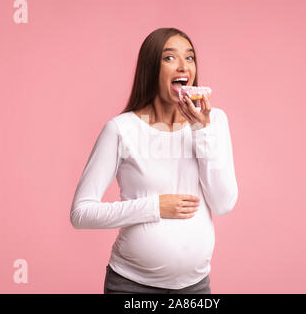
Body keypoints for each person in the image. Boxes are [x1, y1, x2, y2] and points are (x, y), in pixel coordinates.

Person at [70, 28, 238, 294]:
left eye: (190, 57)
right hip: (131, 286)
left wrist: (202, 131)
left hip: (194, 288)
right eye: (170, 58)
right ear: (151, 69)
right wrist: (154, 207)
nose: (184, 66)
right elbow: (81, 214)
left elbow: (223, 202)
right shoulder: (121, 129)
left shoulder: (214, 121)